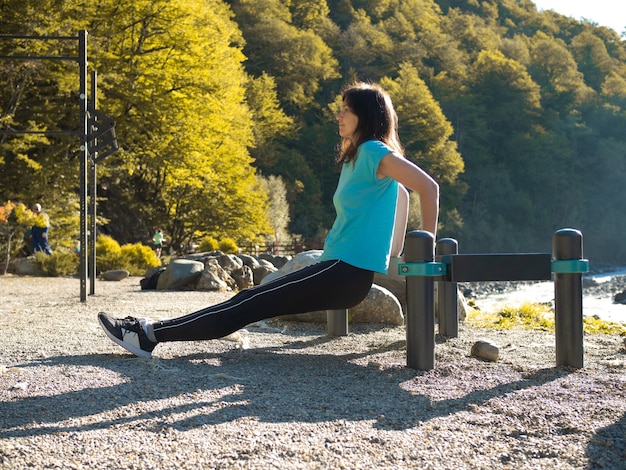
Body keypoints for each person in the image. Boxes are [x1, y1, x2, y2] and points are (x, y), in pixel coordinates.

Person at [98, 82, 439, 358]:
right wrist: (392, 252)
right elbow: (401, 194)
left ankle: (147, 335)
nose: (338, 116)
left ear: (365, 116)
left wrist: (426, 244)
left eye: (346, 111)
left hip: (344, 273)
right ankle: (148, 333)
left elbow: (427, 186)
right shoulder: (358, 157)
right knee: (248, 302)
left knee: (247, 303)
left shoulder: (374, 151)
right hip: (340, 271)